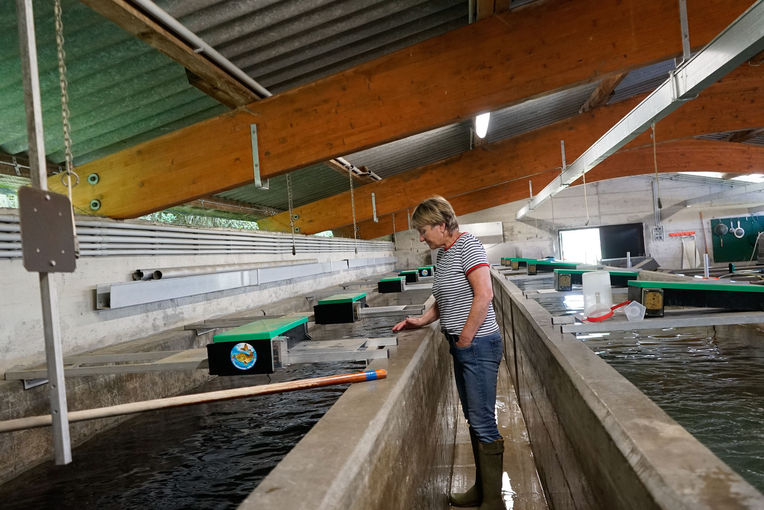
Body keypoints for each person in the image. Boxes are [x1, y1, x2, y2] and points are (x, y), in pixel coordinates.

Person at [392, 196, 504, 509]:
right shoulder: (444, 255)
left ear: (442, 225)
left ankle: (493, 500)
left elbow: (484, 295)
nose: (421, 237)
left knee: (483, 422)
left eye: (424, 229)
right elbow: (446, 299)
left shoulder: (468, 246)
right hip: (461, 344)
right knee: (474, 419)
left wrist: (466, 339)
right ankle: (482, 490)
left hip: (478, 344)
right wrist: (422, 320)